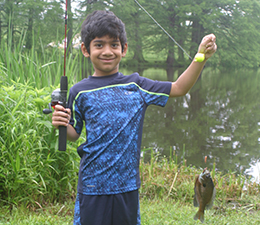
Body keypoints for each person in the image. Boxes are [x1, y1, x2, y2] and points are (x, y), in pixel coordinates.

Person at [52, 10, 217, 225]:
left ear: (124, 49)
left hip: (127, 185)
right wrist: (61, 124)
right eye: (99, 45)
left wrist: (201, 56)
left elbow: (179, 87)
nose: (107, 51)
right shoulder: (78, 92)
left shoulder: (137, 85)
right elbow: (73, 135)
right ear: (85, 49)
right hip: (92, 184)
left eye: (114, 44)